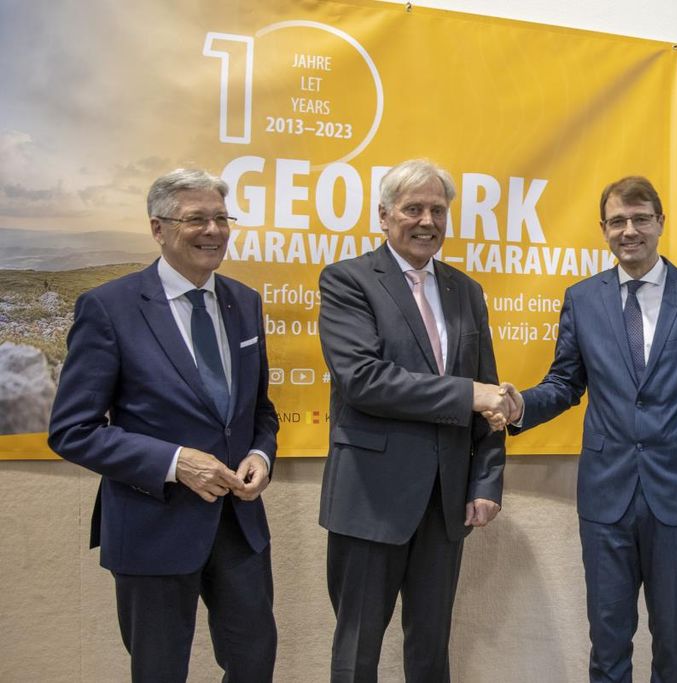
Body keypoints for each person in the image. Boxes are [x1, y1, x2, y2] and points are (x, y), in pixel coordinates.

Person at [503, 176, 677, 682]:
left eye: (640, 219)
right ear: (604, 229)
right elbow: (565, 383)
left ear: (660, 223)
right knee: (608, 641)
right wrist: (521, 405)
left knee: (674, 640)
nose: (629, 230)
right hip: (606, 498)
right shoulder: (583, 299)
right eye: (617, 222)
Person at [48, 169, 279, 682]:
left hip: (238, 527)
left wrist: (261, 455)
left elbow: (260, 410)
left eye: (221, 218)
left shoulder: (244, 302)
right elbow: (72, 430)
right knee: (159, 671)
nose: (213, 230)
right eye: (196, 219)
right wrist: (176, 463)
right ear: (158, 228)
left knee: (255, 662)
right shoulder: (109, 308)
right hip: (152, 525)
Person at [317, 158, 508, 682]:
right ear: (384, 216)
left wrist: (486, 481)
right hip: (370, 500)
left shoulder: (466, 290)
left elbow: (488, 397)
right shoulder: (348, 281)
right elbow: (364, 381)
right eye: (413, 209)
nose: (427, 221)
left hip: (445, 505)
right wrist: (467, 394)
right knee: (357, 654)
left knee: (431, 651)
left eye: (437, 210)